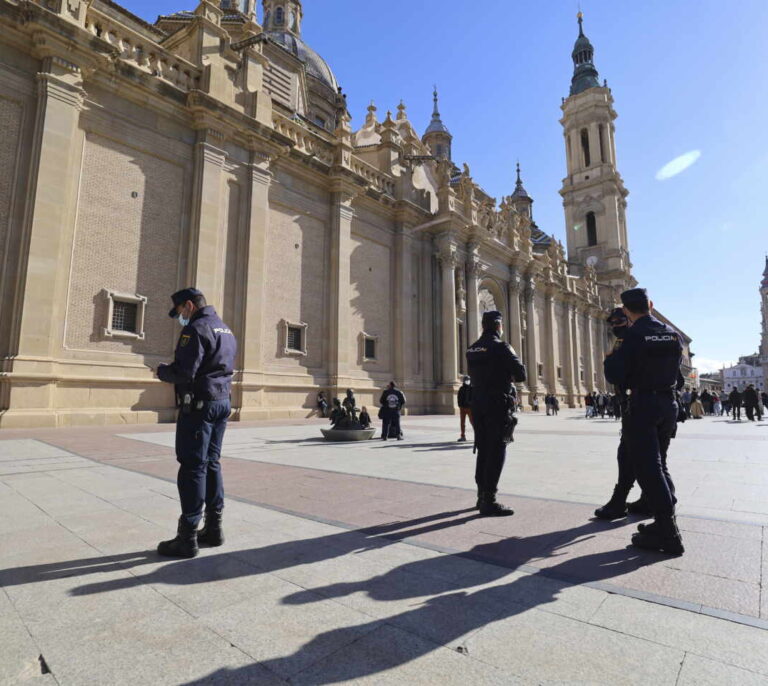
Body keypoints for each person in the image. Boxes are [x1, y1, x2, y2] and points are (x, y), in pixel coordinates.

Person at [155, 288, 237, 558]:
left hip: (200, 405)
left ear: (188, 305)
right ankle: (214, 528)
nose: (180, 317)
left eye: (179, 312)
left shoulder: (196, 330)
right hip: (222, 402)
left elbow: (184, 371)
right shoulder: (225, 329)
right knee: (212, 463)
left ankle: (187, 536)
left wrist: (162, 371)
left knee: (192, 466)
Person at [604, 288, 684, 554]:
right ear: (650, 304)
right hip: (668, 404)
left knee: (649, 469)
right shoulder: (673, 334)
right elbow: (679, 375)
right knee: (659, 464)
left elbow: (615, 374)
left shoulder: (634, 336)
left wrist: (611, 360)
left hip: (643, 406)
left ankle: (667, 531)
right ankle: (661, 519)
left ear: (626, 310)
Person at [467, 310, 527, 516]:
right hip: (497, 404)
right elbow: (521, 374)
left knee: (482, 448)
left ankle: (481, 494)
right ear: (499, 326)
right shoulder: (502, 347)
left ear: (484, 326)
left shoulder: (472, 349)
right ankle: (489, 500)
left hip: (477, 404)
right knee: (497, 449)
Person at [457, 376, 473, 442]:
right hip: (462, 408)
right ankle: (463, 436)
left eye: (468, 380)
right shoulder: (461, 388)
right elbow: (459, 397)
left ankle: (478, 435)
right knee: (462, 423)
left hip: (470, 408)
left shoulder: (472, 388)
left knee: (473, 422)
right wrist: (460, 405)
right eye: (466, 380)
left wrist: (471, 404)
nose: (467, 381)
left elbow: (474, 398)